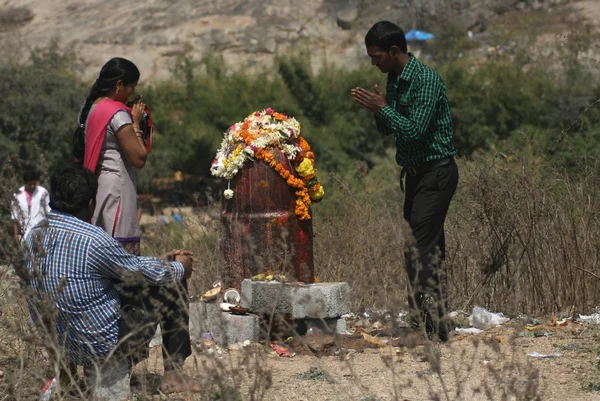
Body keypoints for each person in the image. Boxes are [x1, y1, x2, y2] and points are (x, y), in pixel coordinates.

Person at [23, 164, 200, 394]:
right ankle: (174, 375)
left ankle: (67, 377)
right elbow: (138, 272)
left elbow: (123, 268)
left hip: (59, 345)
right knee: (172, 282)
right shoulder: (93, 239)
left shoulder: (33, 235)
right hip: (99, 346)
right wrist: (179, 267)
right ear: (90, 203)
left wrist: (158, 261)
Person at [351, 21, 458, 341]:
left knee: (419, 252)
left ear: (395, 51)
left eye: (377, 56)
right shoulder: (395, 80)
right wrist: (378, 110)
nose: (374, 62)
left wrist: (384, 108)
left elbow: (414, 130)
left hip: (436, 173)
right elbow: (391, 128)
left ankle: (428, 329)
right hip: (415, 177)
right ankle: (432, 324)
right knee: (428, 250)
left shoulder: (424, 80)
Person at [73, 57, 150, 256]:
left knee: (100, 244)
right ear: (118, 85)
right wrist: (136, 123)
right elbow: (139, 159)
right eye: (131, 87)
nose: (132, 92)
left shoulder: (90, 108)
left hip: (99, 186)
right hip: (117, 188)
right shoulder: (117, 115)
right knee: (119, 251)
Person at [11, 170, 50, 242]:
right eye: (30, 184)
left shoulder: (43, 192)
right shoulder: (17, 195)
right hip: (24, 233)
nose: (32, 186)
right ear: (25, 183)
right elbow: (15, 217)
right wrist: (16, 234)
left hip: (41, 231)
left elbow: (48, 211)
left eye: (34, 184)